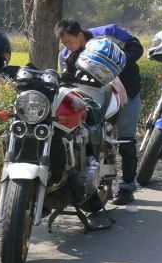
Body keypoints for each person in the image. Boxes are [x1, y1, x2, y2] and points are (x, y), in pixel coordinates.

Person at [55, 20, 144, 205]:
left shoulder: (109, 32)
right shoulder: (66, 55)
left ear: (79, 34)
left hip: (128, 93)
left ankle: (127, 187)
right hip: (95, 102)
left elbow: (137, 48)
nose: (68, 46)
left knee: (126, 140)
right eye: (64, 44)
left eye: (70, 41)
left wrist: (114, 64)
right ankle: (104, 184)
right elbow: (66, 81)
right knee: (99, 141)